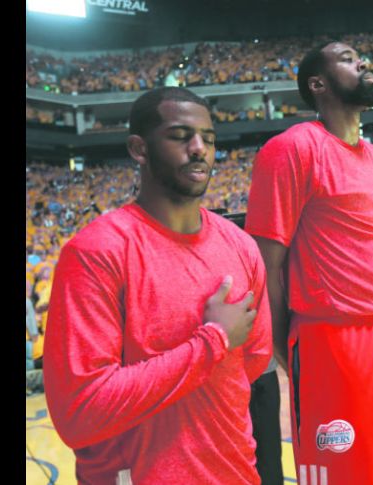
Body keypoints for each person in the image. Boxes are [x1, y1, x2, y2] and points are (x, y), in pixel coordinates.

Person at [44, 87, 272, 485]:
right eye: (181, 136)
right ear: (139, 149)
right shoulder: (96, 252)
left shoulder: (241, 246)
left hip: (234, 472)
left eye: (209, 139)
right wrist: (211, 342)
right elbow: (80, 413)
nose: (200, 148)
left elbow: (252, 361)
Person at [245, 41, 373, 485]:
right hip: (333, 339)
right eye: (348, 58)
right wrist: (283, 344)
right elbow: (264, 260)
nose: (363, 62)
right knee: (345, 474)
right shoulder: (291, 149)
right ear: (318, 83)